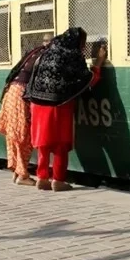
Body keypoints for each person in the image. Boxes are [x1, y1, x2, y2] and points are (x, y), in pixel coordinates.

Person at [25, 27, 107, 191]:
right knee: (60, 144)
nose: (83, 48)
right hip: (60, 105)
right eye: (82, 44)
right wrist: (97, 64)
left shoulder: (47, 52)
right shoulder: (72, 55)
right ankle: (58, 180)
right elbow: (87, 79)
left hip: (38, 105)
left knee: (44, 144)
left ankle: (42, 178)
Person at [0, 33, 53, 186]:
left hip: (11, 92)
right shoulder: (45, 56)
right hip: (21, 94)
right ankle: (22, 175)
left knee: (14, 134)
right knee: (24, 136)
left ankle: (17, 171)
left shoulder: (34, 51)